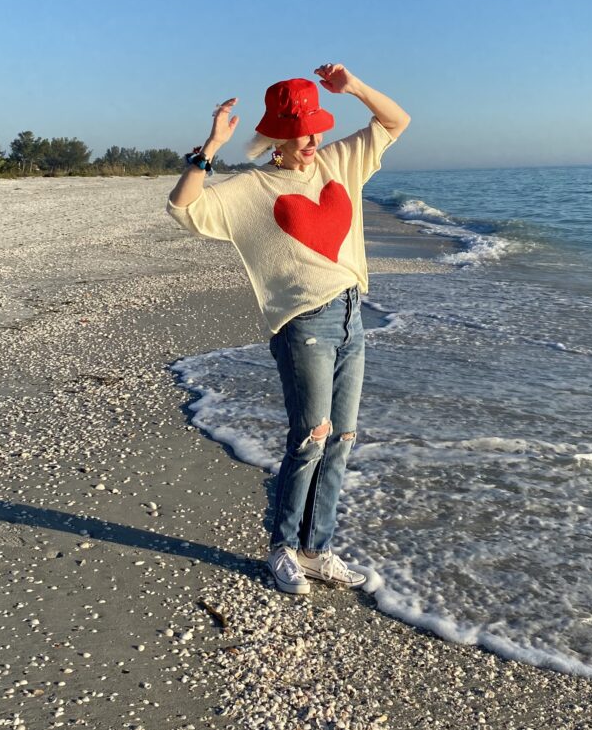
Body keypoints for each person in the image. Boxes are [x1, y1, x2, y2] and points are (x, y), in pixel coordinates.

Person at [166, 63, 410, 594]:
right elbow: (183, 208)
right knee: (309, 439)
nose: (312, 141)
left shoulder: (339, 161)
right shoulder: (251, 188)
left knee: (342, 439)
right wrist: (209, 147)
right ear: (275, 136)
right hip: (305, 326)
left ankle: (316, 549)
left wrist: (357, 88)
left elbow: (397, 121)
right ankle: (282, 549)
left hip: (351, 316)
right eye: (300, 133)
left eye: (317, 128)